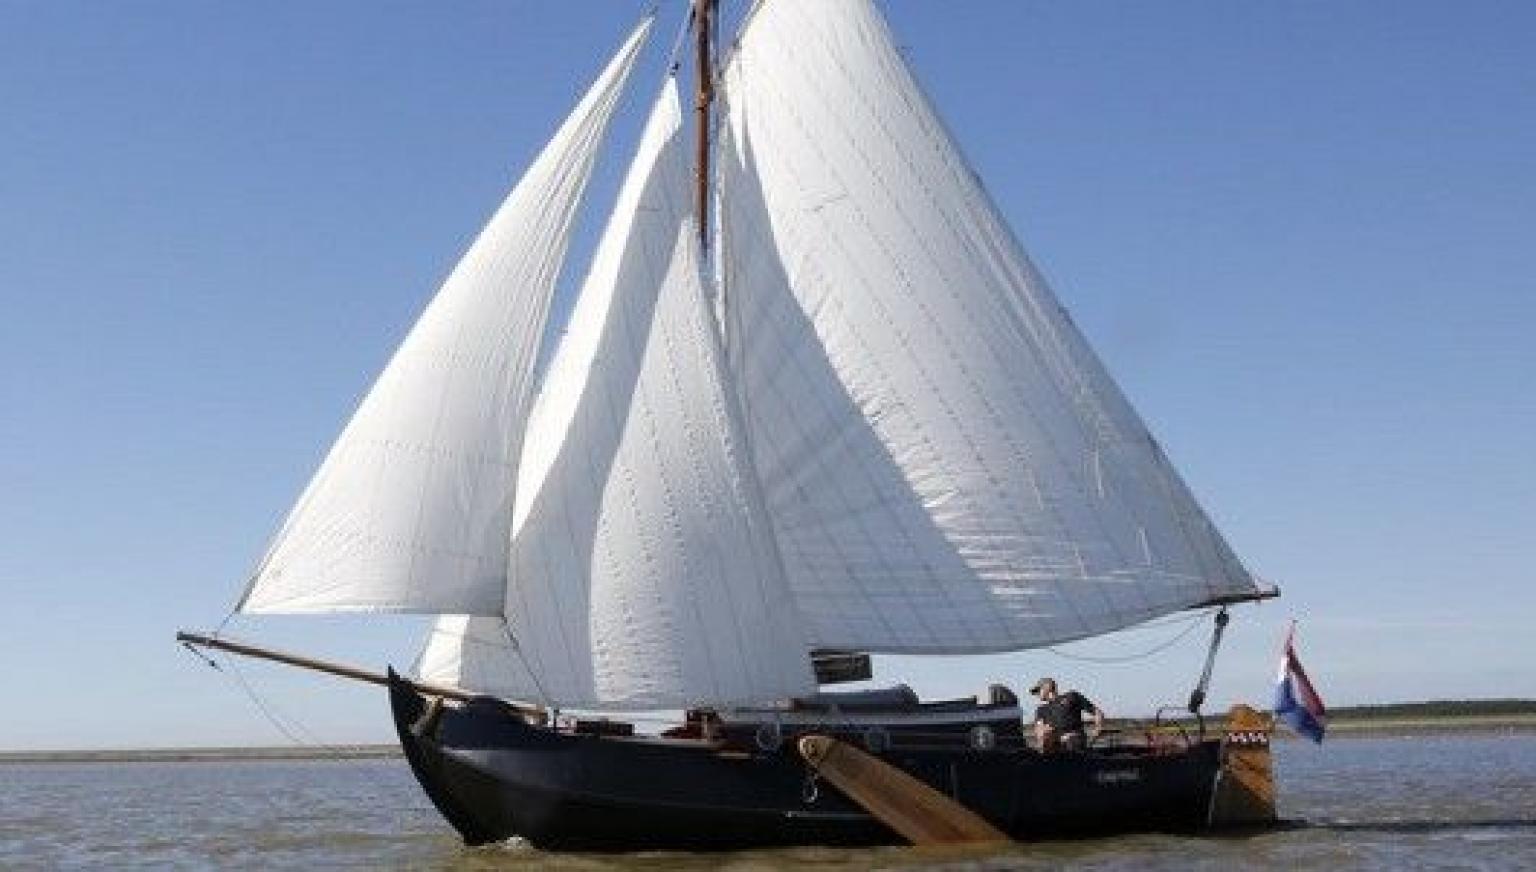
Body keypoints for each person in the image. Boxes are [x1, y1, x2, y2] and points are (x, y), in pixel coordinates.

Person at [1029, 677, 1103, 753]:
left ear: (1047, 687)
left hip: (1074, 742)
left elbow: (1097, 712)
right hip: (1053, 745)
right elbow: (1039, 730)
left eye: (1038, 690)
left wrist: (1096, 730)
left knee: (1071, 741)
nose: (1037, 694)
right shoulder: (1041, 710)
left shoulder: (1071, 697)